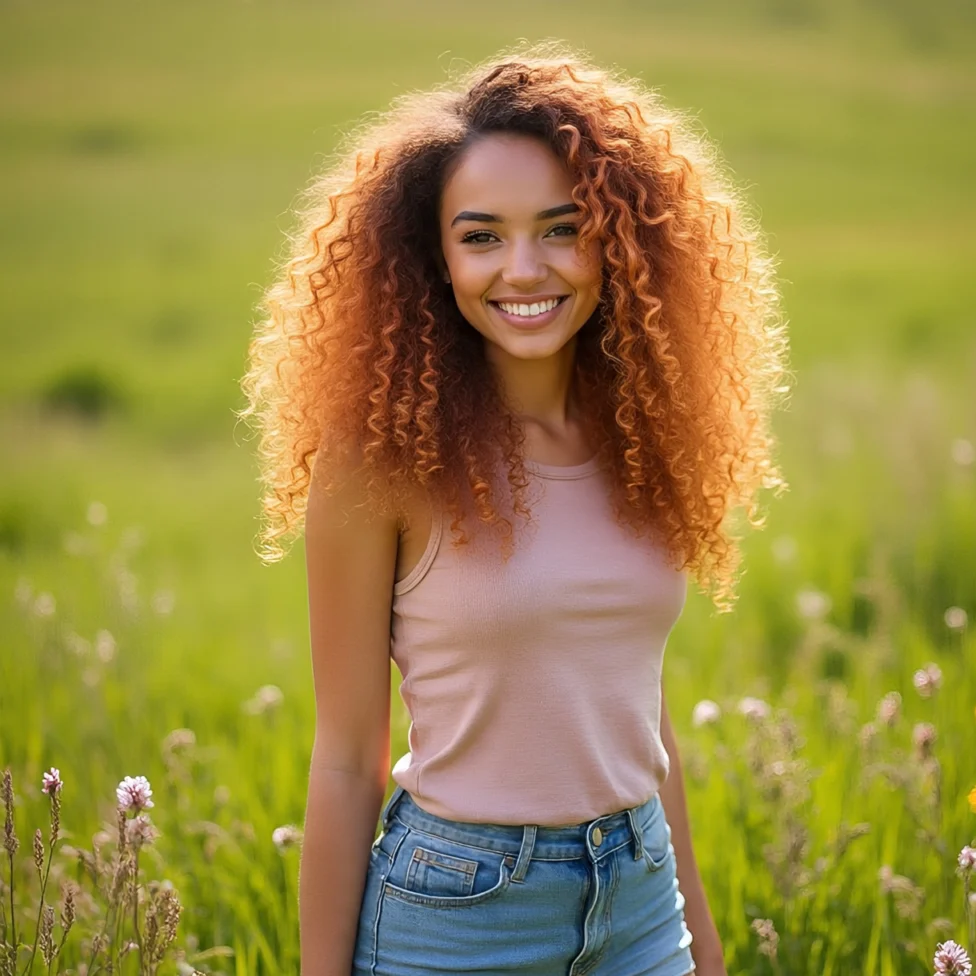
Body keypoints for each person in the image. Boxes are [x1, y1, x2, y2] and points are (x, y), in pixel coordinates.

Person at [240, 40, 788, 976]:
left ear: (618, 239)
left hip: (642, 902)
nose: (524, 270)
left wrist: (702, 942)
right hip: (459, 915)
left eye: (563, 229)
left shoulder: (642, 437)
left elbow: (636, 710)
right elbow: (344, 758)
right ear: (435, 256)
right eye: (482, 235)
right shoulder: (378, 468)